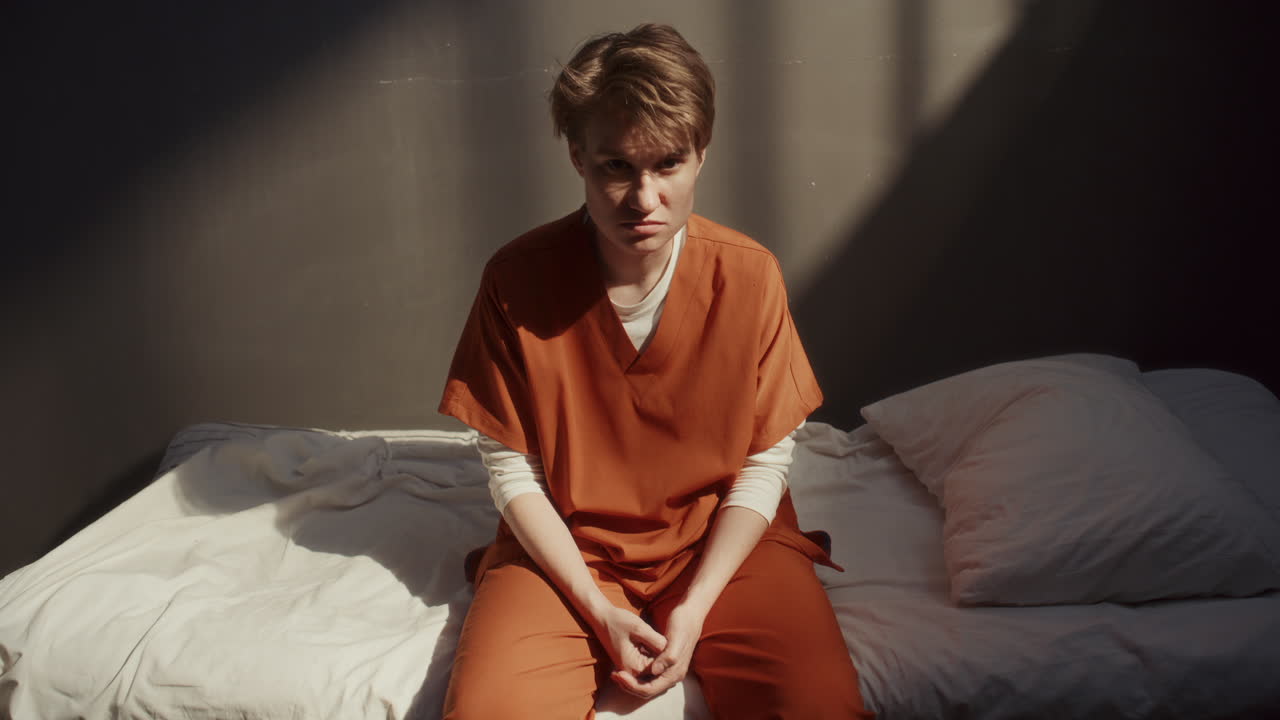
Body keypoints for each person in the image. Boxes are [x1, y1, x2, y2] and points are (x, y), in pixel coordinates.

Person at [439, 23, 873, 720]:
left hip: (724, 541)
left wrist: (696, 607)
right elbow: (511, 467)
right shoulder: (517, 280)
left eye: (668, 164)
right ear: (578, 157)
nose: (643, 199)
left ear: (701, 155)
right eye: (616, 167)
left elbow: (765, 461)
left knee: (820, 706)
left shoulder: (749, 277)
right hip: (569, 547)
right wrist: (597, 608)